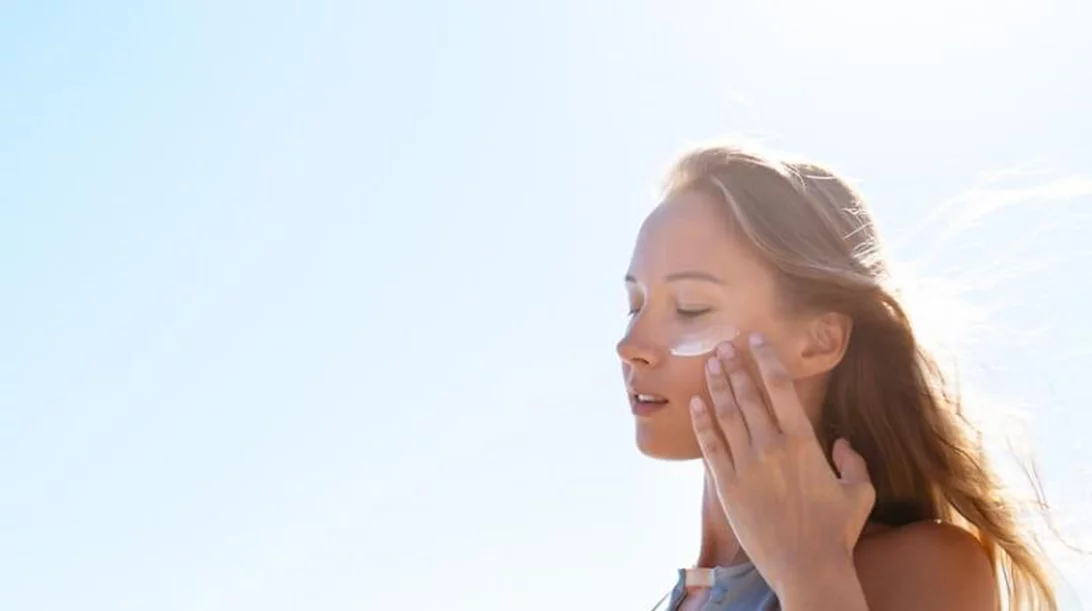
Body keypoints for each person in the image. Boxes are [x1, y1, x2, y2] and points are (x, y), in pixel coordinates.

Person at [617, 145, 1057, 611]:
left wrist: (811, 571)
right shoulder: (687, 595)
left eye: (690, 308)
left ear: (819, 341)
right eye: (635, 304)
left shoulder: (923, 567)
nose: (629, 347)